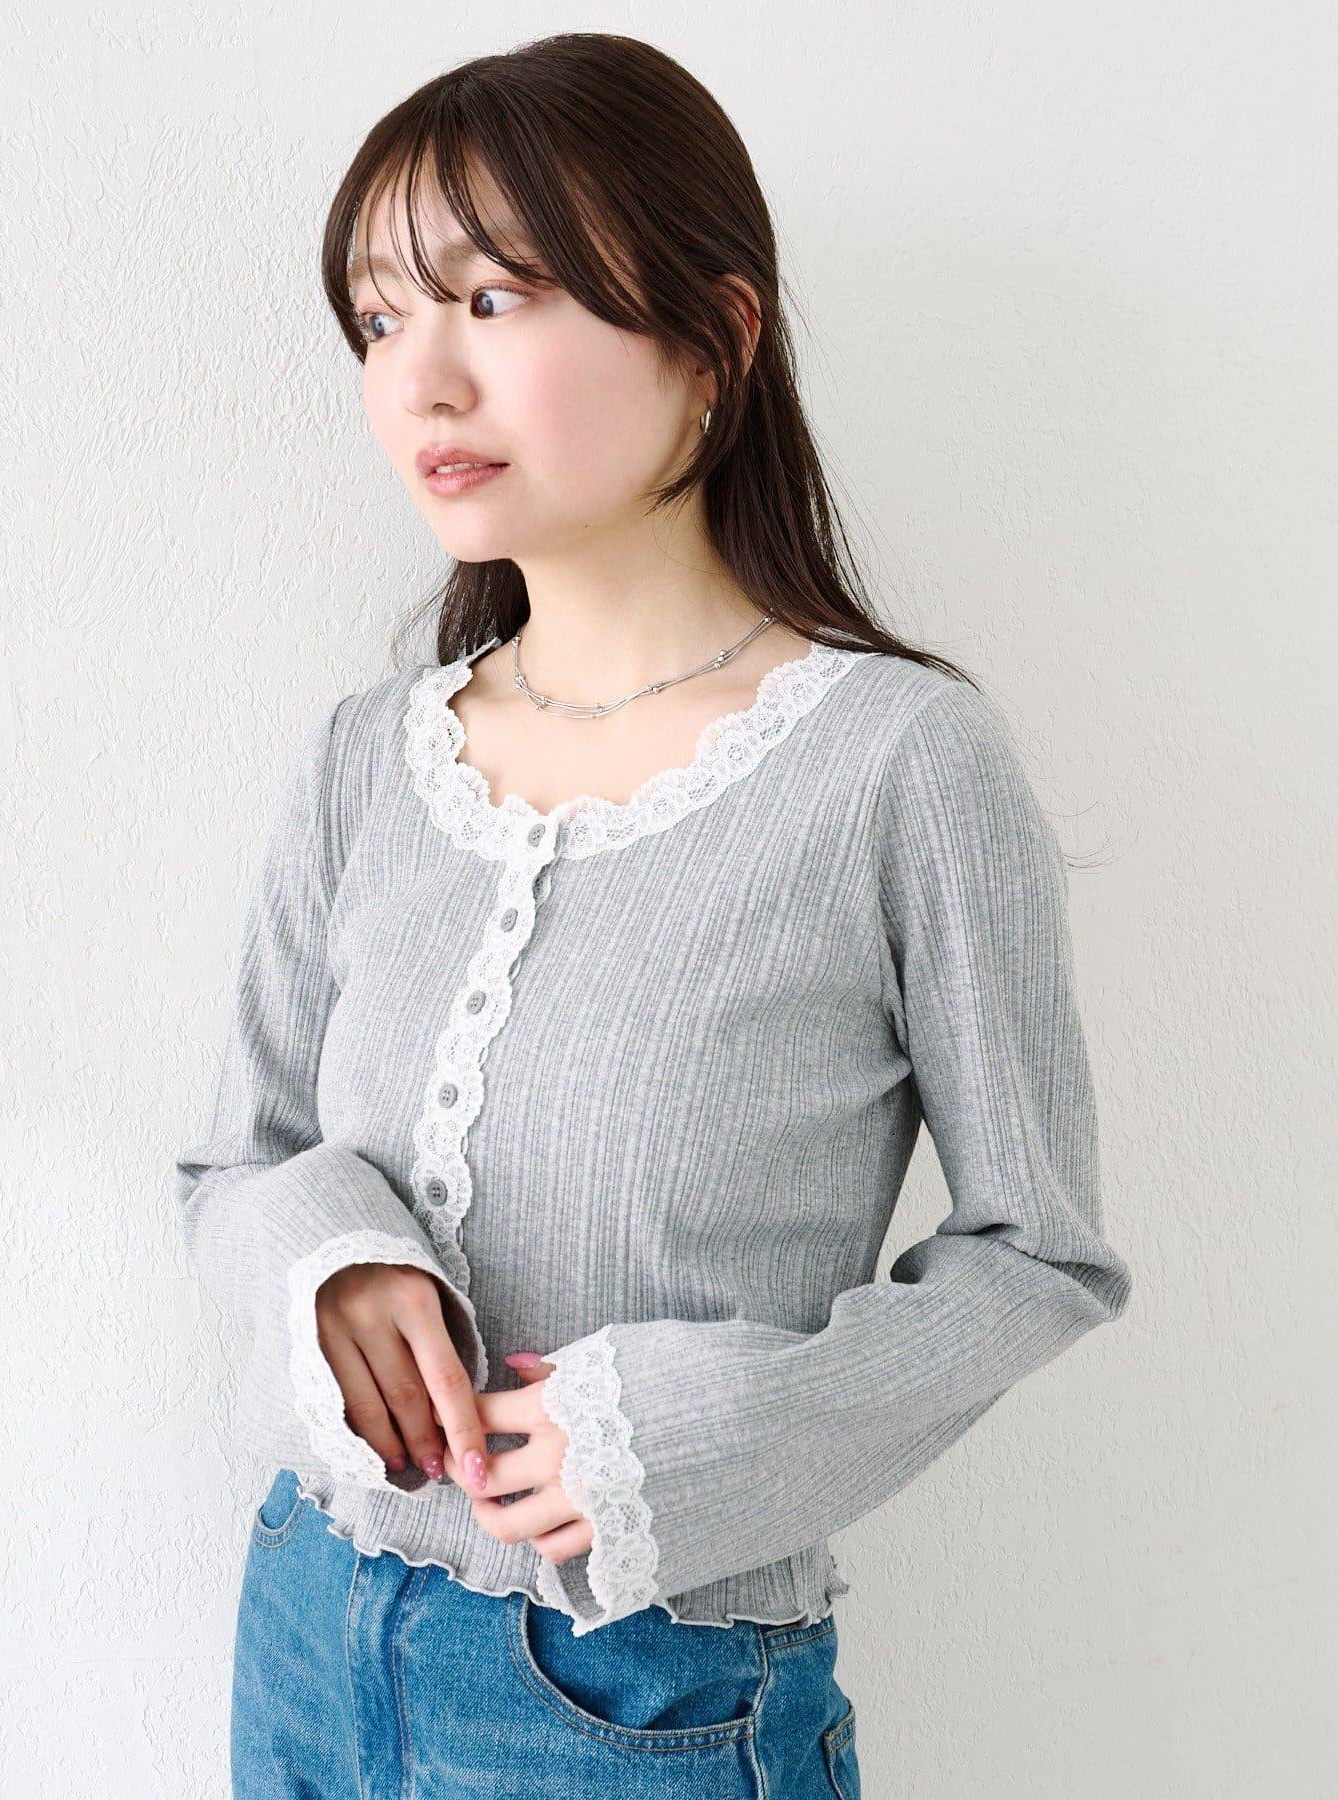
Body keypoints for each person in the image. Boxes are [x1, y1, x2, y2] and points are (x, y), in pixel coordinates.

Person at [172, 31, 1133, 1798]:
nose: (421, 379)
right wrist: (332, 1260)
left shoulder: (900, 762)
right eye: (379, 318)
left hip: (641, 1690)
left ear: (715, 340)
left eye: (495, 298)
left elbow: (1042, 1252)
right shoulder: (366, 758)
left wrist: (720, 1432)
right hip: (306, 1624)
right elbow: (237, 1160)